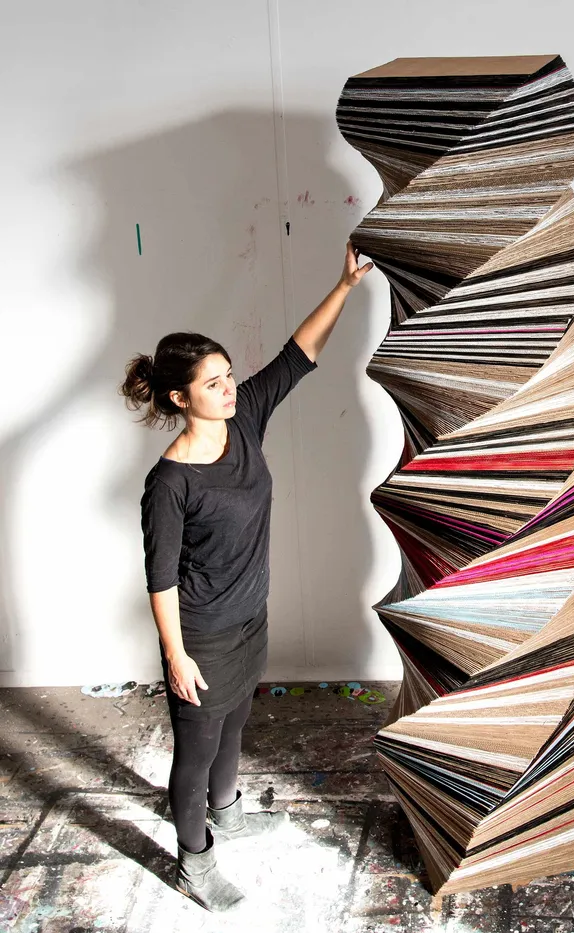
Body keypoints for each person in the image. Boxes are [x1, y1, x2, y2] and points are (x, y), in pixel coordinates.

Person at [119, 242, 372, 912]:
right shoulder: (169, 481)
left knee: (235, 727)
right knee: (195, 755)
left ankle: (227, 814)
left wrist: (343, 284)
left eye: (229, 374)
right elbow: (160, 576)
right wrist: (175, 655)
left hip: (250, 615)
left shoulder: (245, 418)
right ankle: (193, 862)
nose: (229, 387)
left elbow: (298, 354)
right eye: (212, 382)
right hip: (200, 635)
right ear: (179, 397)